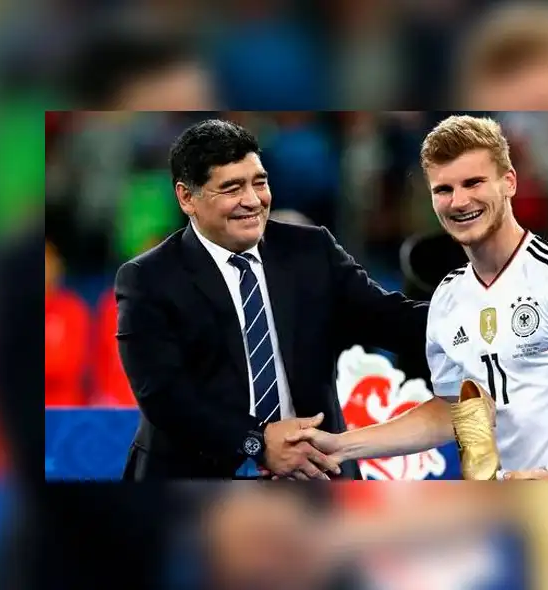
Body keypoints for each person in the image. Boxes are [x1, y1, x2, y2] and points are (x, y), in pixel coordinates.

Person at [283, 115, 548, 480]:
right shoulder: (447, 298)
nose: (459, 201)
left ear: (509, 181)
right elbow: (452, 411)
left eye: (474, 183)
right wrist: (341, 445)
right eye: (444, 190)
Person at [116, 119, 428, 480]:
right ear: (187, 197)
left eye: (259, 183)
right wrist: (258, 442)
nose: (252, 201)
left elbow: (388, 318)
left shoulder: (311, 251)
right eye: (231, 188)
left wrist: (473, 318)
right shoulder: (148, 278)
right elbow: (165, 396)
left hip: (317, 472)